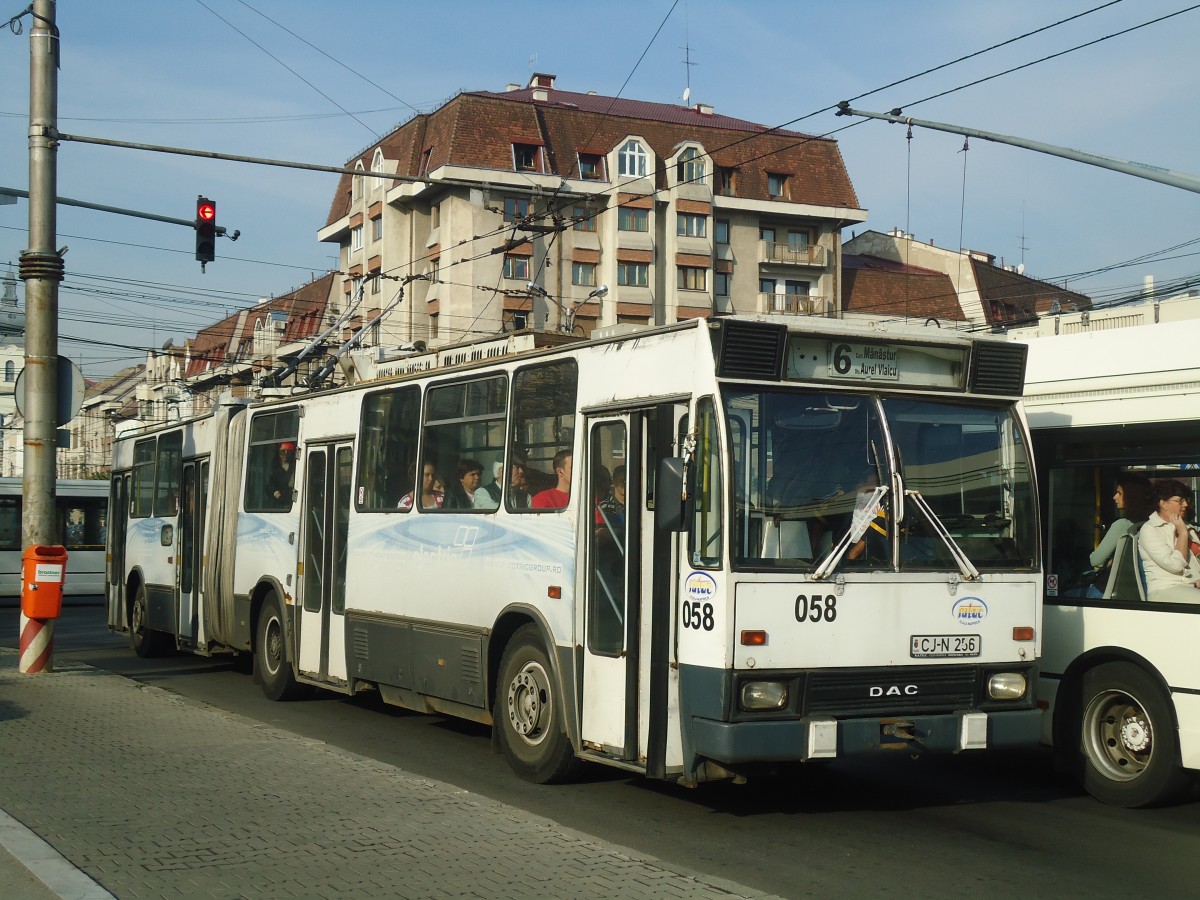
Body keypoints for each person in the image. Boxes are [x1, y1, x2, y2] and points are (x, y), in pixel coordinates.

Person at [1085, 473, 1153, 596]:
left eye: (1119, 493)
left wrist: (1109, 560)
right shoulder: (1149, 523)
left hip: (1104, 590)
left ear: (1132, 496)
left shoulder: (1122, 525)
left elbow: (1095, 561)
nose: (1114, 497)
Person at [1139, 479, 1200, 603]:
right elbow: (1175, 565)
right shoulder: (1150, 530)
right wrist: (1182, 534)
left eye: (1186, 500)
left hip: (1190, 586)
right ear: (1163, 504)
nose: (1185, 505)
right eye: (1179, 501)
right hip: (1165, 589)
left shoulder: (1185, 525)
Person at [268, 441, 296, 508]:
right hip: (279, 505)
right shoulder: (275, 469)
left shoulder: (295, 466)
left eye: (289, 451)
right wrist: (279, 496)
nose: (286, 453)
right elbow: (271, 486)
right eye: (283, 451)